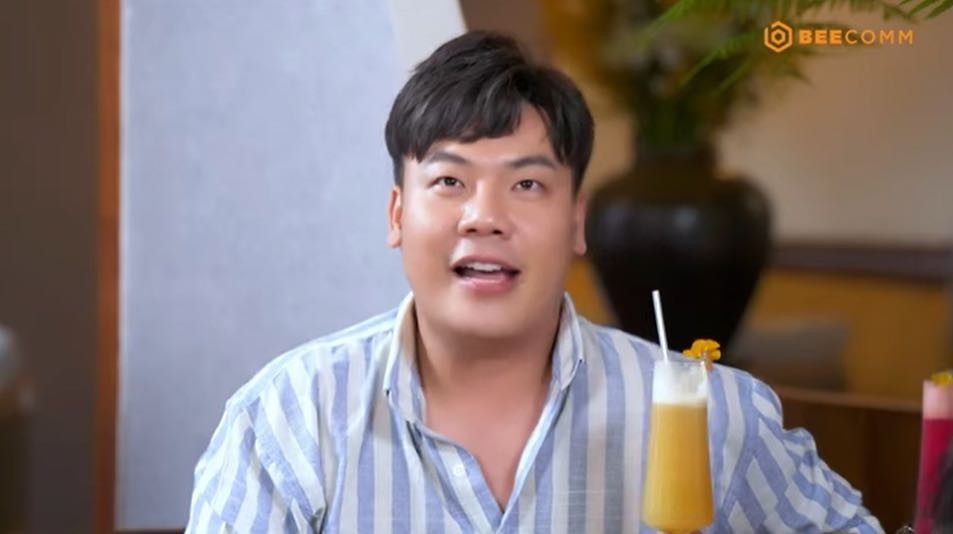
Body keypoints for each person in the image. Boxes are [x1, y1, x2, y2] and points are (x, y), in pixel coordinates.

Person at [186, 31, 882, 533]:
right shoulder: (288, 422)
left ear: (577, 222)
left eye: (526, 184)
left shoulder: (711, 416)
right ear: (397, 214)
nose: (484, 216)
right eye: (449, 181)